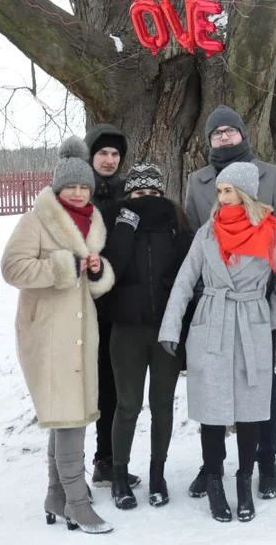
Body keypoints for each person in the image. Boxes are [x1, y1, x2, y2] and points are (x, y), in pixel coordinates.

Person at [158, 162, 276, 523]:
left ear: (245, 193)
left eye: (227, 191)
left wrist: (269, 314)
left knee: (250, 406)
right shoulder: (207, 233)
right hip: (212, 323)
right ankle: (215, 481)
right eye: (218, 191)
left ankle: (244, 479)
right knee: (212, 409)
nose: (220, 197)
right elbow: (184, 281)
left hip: (250, 323)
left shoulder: (268, 231)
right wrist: (171, 328)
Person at [183, 105, 276, 500]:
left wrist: (268, 299)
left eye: (231, 132)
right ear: (209, 140)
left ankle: (266, 463)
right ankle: (210, 467)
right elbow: (192, 243)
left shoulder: (271, 175)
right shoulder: (198, 182)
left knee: (260, 386)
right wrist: (204, 295)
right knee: (211, 387)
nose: (224, 138)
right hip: (214, 306)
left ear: (244, 135)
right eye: (217, 133)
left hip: (255, 304)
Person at [1, 137, 116, 534]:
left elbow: (91, 287)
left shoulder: (92, 222)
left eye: (85, 187)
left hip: (81, 332)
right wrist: (63, 265)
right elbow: (13, 267)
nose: (79, 192)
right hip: (48, 331)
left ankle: (56, 494)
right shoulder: (37, 220)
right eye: (72, 186)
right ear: (57, 188)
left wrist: (97, 271)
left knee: (66, 414)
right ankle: (78, 503)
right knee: (69, 416)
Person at [100, 163, 193, 510]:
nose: (147, 200)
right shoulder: (116, 221)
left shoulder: (177, 222)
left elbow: (187, 272)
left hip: (166, 329)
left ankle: (158, 473)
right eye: (139, 194)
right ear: (129, 195)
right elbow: (112, 269)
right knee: (127, 405)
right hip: (126, 329)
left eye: (153, 194)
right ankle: (120, 475)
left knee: (162, 405)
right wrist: (125, 228)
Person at [82, 123, 134, 487]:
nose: (109, 159)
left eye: (115, 154)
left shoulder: (128, 198)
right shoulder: (77, 196)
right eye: (103, 152)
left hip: (118, 306)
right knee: (80, 386)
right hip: (81, 305)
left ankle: (107, 459)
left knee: (112, 386)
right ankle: (67, 472)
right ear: (90, 155)